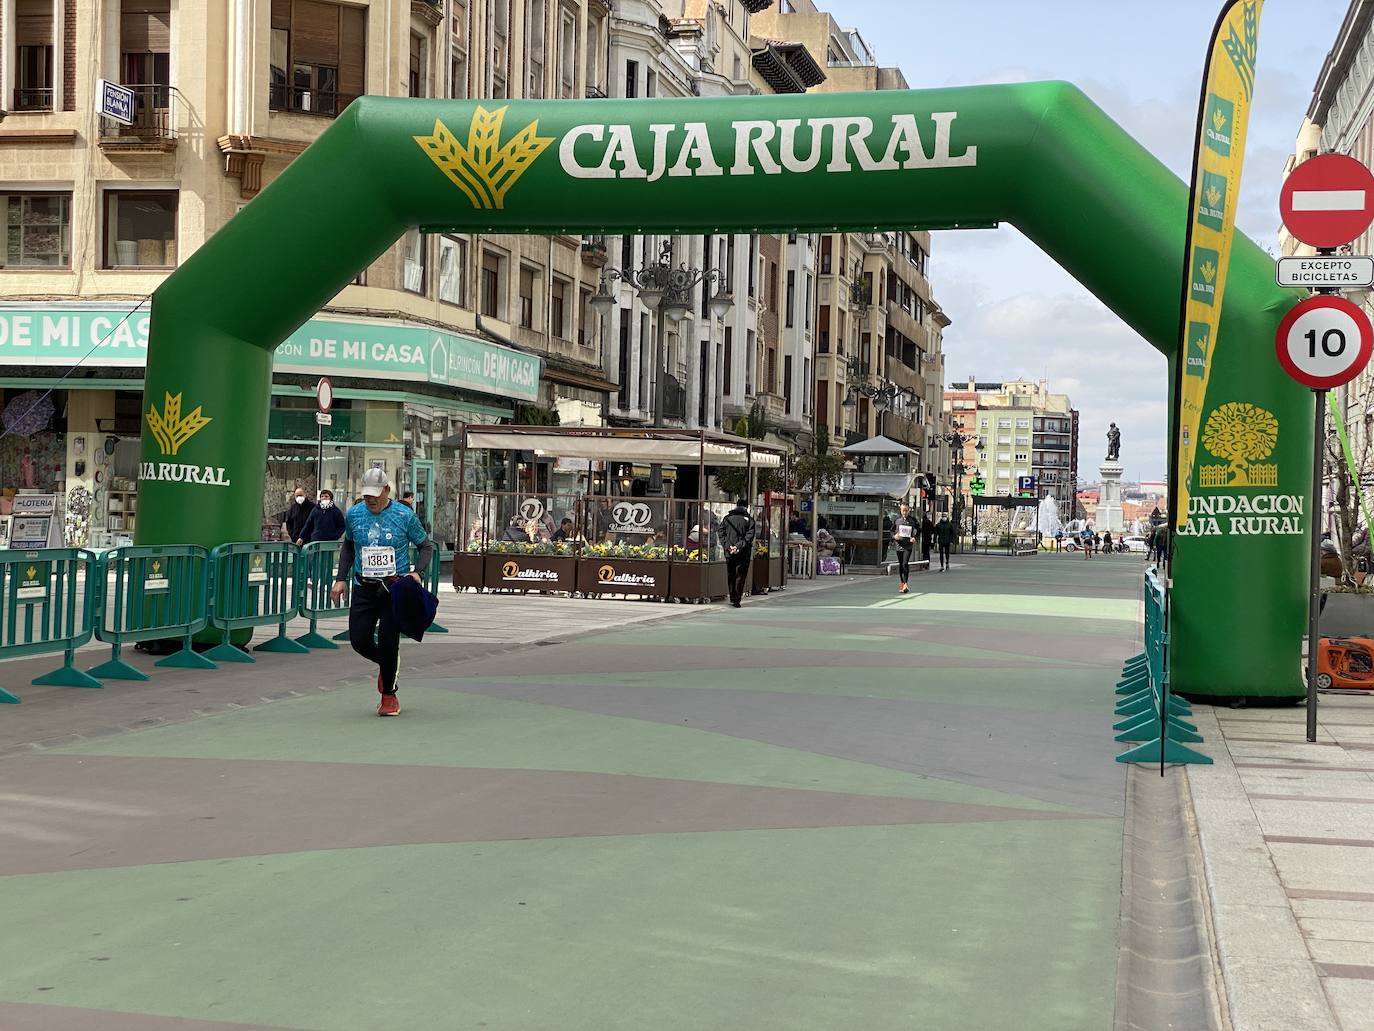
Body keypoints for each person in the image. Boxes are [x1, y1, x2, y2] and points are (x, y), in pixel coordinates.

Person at [330, 468, 433, 717]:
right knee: (359, 640)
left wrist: (418, 572)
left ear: (387, 490)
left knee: (388, 640)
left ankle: (389, 695)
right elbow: (349, 548)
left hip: (393, 588)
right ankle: (387, 663)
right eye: (366, 496)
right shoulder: (354, 515)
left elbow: (425, 545)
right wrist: (340, 579)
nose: (371, 500)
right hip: (363, 587)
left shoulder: (404, 515)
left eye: (375, 494)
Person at [720, 498, 757, 608]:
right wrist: (738, 546)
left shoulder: (727, 518)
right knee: (740, 576)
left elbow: (721, 532)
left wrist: (728, 546)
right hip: (743, 553)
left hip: (729, 552)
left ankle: (732, 596)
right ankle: (737, 599)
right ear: (746, 507)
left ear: (736, 506)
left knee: (731, 574)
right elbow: (749, 537)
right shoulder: (750, 520)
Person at [892, 502, 917, 594]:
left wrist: (914, 537)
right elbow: (891, 531)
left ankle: (906, 583)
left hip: (908, 546)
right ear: (900, 510)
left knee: (905, 563)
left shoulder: (912, 521)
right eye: (903, 510)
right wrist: (894, 536)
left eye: (906, 510)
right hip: (899, 545)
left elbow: (916, 531)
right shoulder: (897, 520)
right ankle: (902, 583)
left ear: (909, 510)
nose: (904, 512)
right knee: (900, 564)